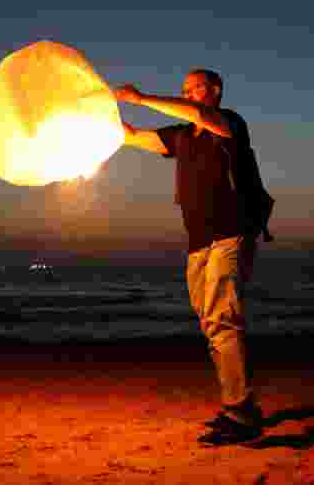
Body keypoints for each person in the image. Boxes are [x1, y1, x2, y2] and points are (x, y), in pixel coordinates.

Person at [115, 70, 269, 445]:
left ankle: (241, 412)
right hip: (198, 242)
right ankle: (239, 405)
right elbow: (132, 137)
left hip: (230, 234)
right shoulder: (181, 137)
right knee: (210, 323)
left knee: (222, 320)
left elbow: (199, 116)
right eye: (184, 89)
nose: (186, 93)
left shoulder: (228, 123)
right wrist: (97, 117)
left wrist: (141, 98)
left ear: (214, 91)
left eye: (194, 88)